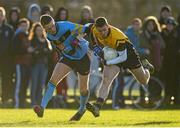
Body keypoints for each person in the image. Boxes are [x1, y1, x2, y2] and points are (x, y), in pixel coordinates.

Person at [85, 17, 154, 117]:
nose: (103, 33)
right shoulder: (94, 29)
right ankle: (97, 106)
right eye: (100, 31)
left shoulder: (117, 36)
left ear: (108, 26)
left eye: (104, 30)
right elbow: (90, 31)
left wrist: (108, 62)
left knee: (143, 81)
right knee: (106, 80)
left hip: (128, 54)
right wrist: (95, 46)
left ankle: (146, 67)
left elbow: (123, 57)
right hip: (113, 52)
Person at [33, 14, 90, 121]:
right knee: (52, 81)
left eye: (52, 26)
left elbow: (86, 29)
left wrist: (78, 39)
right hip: (68, 57)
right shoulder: (49, 36)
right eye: (48, 28)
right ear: (44, 29)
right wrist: (67, 49)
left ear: (54, 22)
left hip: (83, 57)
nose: (52, 29)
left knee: (83, 90)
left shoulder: (66, 26)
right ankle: (42, 107)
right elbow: (61, 47)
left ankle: (82, 109)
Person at [29, 22, 52, 106]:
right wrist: (41, 51)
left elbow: (49, 52)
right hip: (35, 65)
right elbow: (32, 52)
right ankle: (33, 103)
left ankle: (39, 103)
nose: (39, 31)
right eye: (37, 30)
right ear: (34, 31)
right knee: (34, 84)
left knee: (41, 85)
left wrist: (39, 51)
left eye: (40, 30)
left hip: (44, 65)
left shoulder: (46, 41)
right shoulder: (32, 40)